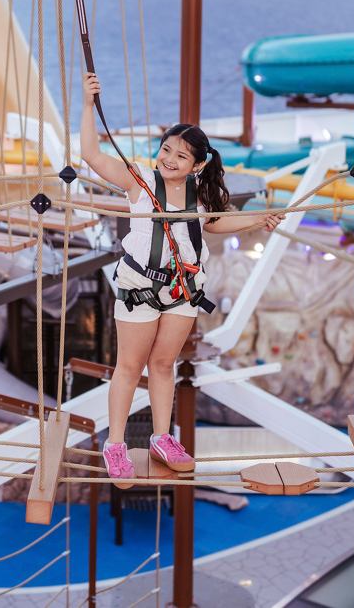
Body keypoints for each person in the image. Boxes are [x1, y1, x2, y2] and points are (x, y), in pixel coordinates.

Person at [81, 72, 284, 479]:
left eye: (181, 156)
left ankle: (161, 437)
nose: (170, 159)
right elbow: (92, 155)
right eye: (166, 149)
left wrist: (259, 219)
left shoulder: (200, 196)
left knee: (163, 364)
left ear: (198, 165)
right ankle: (116, 444)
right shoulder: (140, 181)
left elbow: (215, 224)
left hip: (183, 292)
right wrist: (88, 105)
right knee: (128, 367)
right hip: (140, 288)